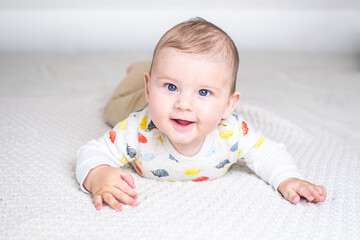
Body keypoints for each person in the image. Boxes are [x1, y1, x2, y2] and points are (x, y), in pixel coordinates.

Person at [76, 17, 326, 212]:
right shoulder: (137, 129)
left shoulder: (233, 132)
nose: (184, 104)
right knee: (114, 107)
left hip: (160, 97)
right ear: (150, 87)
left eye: (203, 92)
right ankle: (139, 72)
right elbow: (91, 152)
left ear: (229, 105)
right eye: (171, 87)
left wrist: (288, 179)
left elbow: (268, 153)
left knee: (172, 82)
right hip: (137, 102)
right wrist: (97, 173)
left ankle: (155, 72)